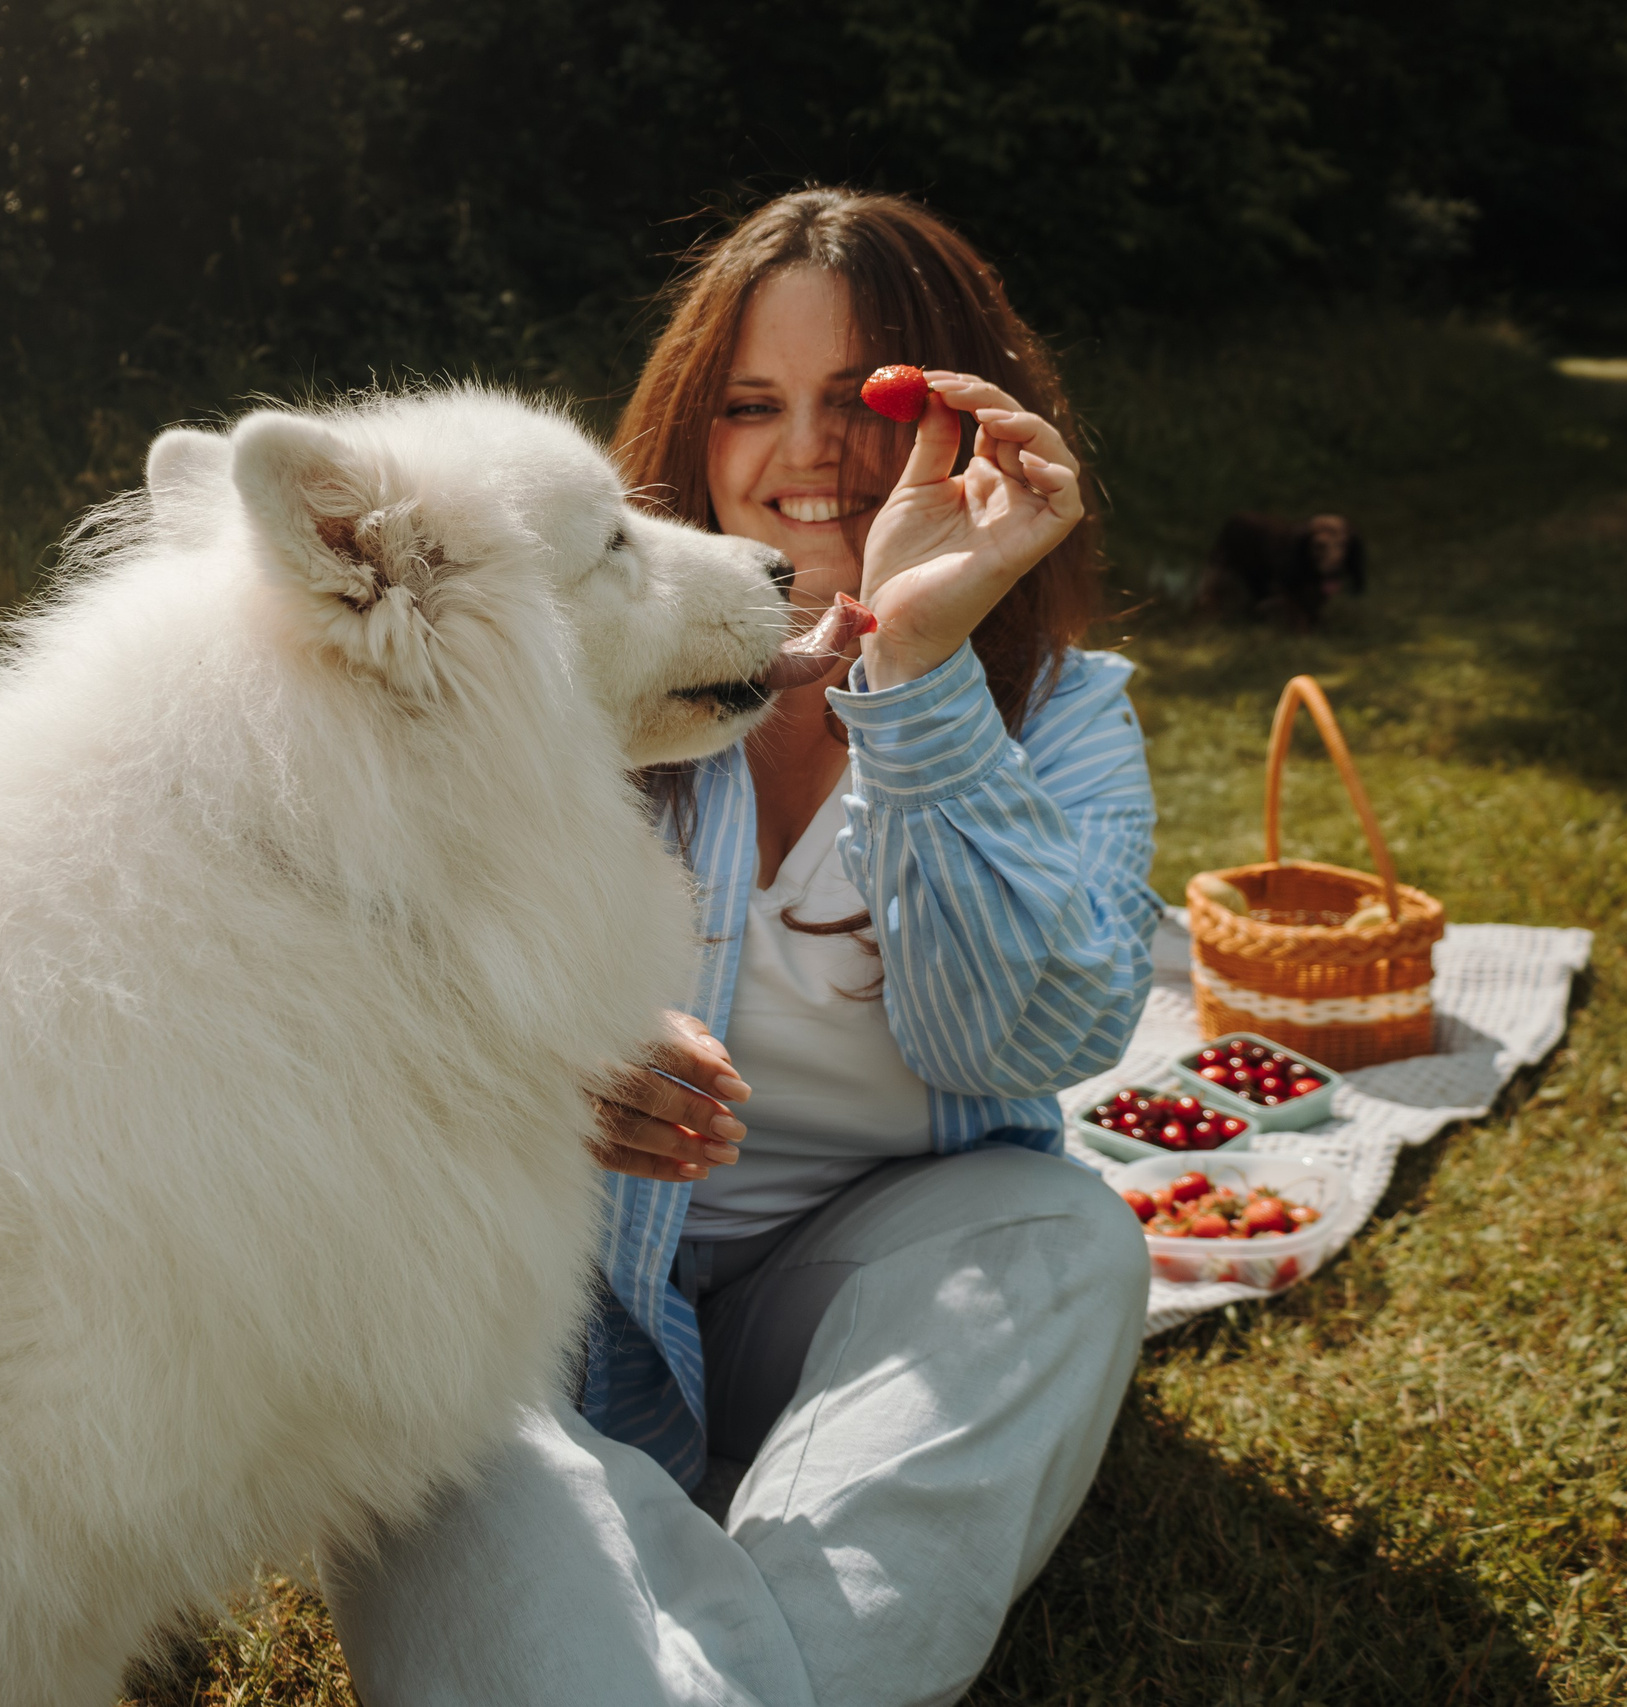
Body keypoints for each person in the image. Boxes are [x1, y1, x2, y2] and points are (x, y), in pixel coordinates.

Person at [323, 187, 1161, 1707]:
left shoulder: (1070, 717)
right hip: (551, 1307)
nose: (807, 457)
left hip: (866, 1302)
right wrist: (539, 1070)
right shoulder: (533, 671)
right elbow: (340, 994)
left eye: (865, 404)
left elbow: (1028, 1042)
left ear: (964, 429)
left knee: (1072, 1243)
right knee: (423, 1377)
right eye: (752, 405)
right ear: (689, 441)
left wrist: (915, 665)